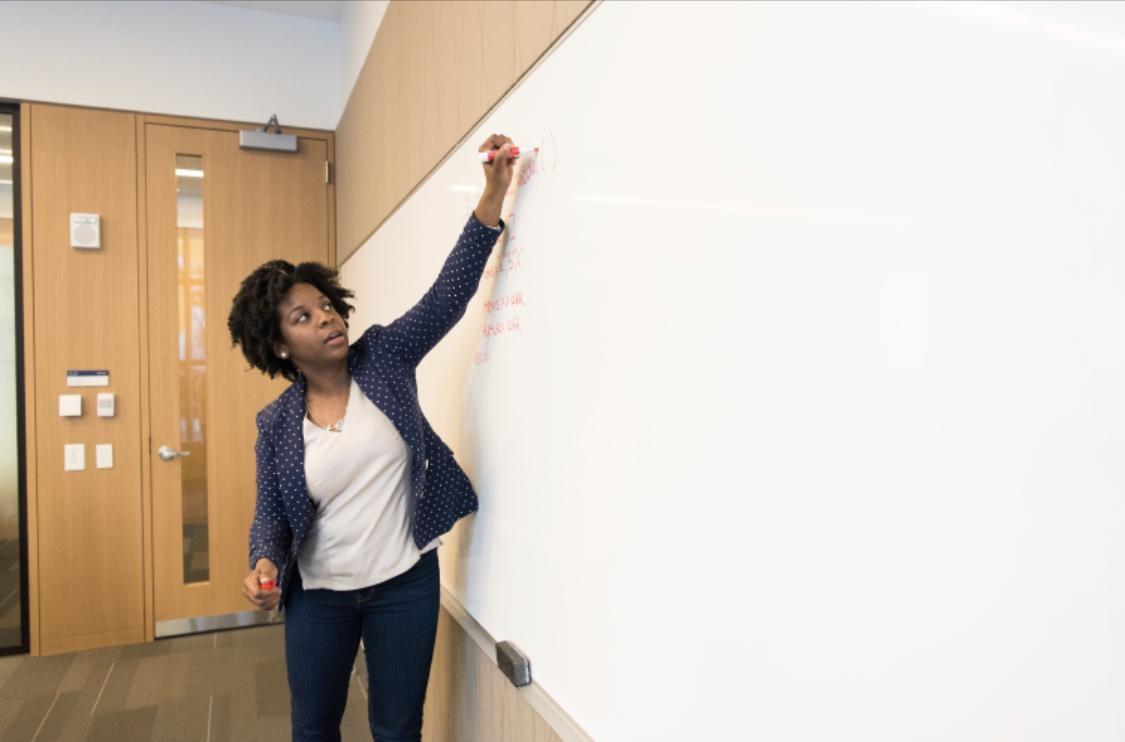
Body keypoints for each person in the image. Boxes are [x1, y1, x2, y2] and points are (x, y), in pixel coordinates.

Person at [227, 134, 516, 742]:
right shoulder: (276, 424)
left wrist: (492, 195)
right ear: (279, 346)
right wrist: (262, 564)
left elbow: (445, 298)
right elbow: (271, 517)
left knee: (396, 728)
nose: (326, 317)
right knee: (313, 729)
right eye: (303, 317)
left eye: (325, 305)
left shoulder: (383, 356)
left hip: (404, 584)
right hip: (320, 598)